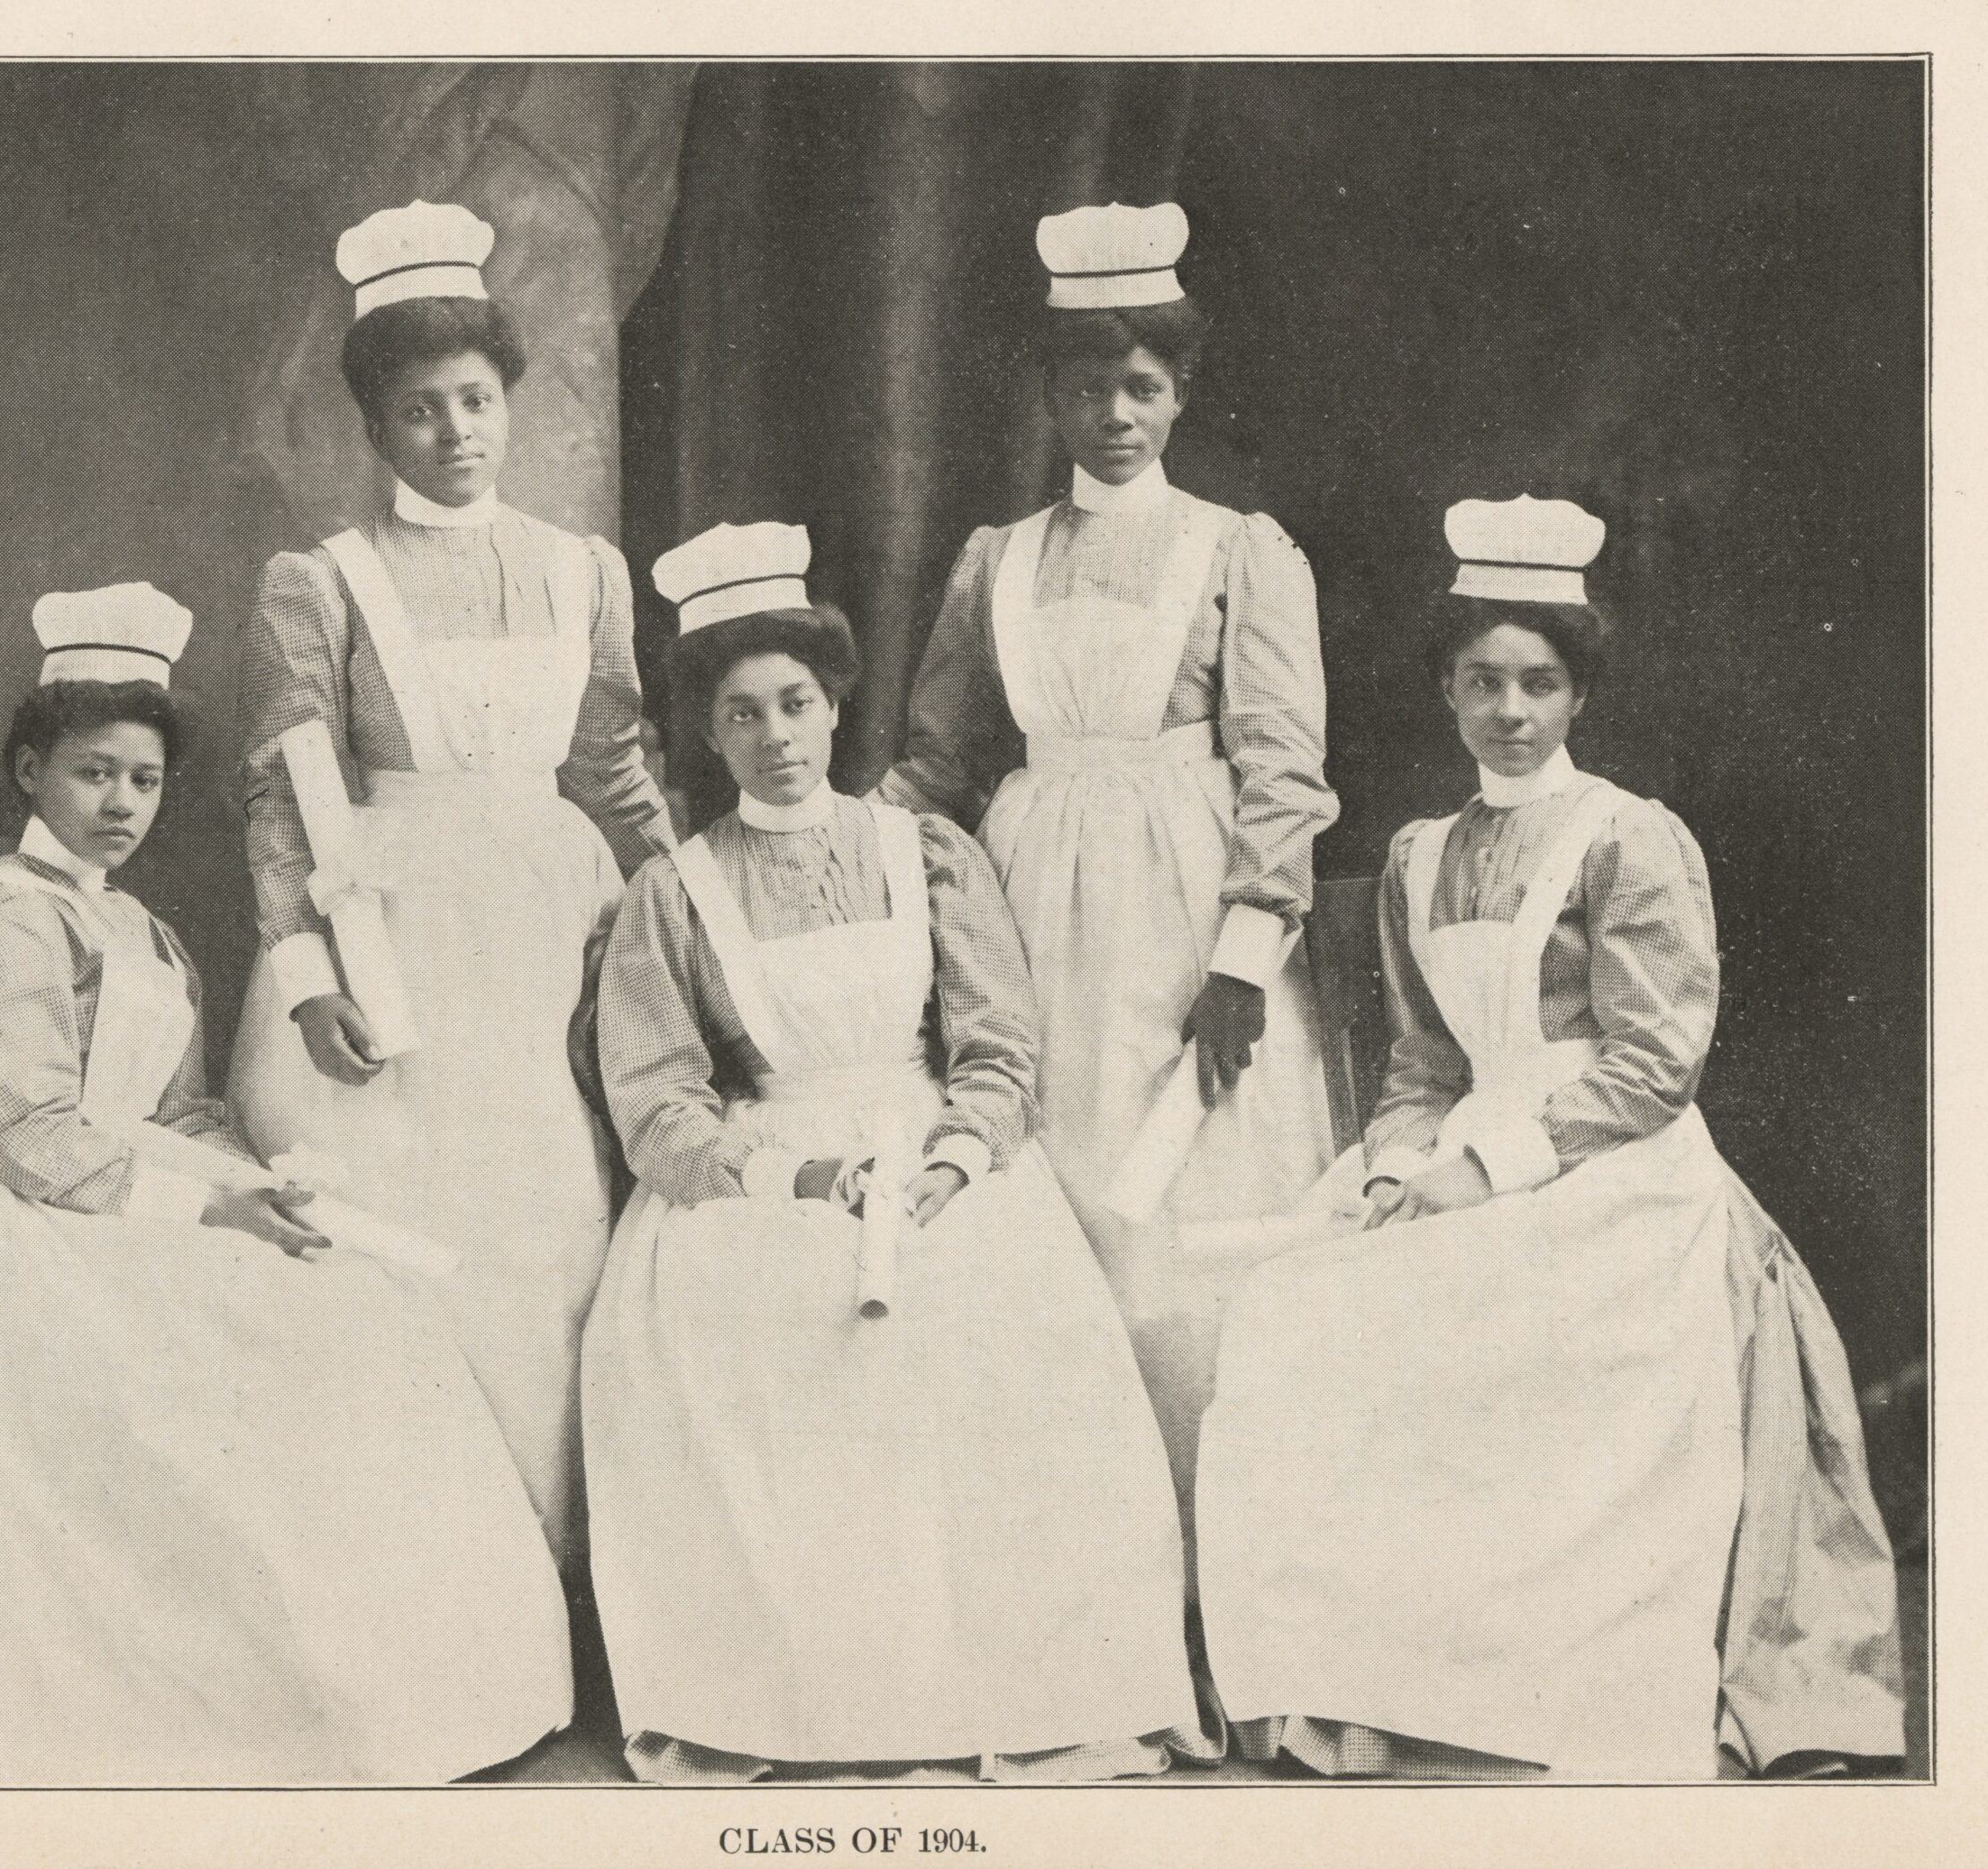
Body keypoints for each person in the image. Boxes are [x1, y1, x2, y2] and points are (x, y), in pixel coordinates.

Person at [1196, 498, 1907, 1780]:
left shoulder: (1628, 837)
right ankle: (1356, 1679)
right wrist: (1404, 1164)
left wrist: (1486, 1168)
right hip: (1467, 1142)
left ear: (1578, 693)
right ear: (1448, 691)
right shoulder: (1420, 855)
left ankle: (1551, 1671)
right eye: (1482, 681)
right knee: (1294, 1308)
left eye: (1538, 681)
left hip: (1613, 1168)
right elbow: (1423, 1060)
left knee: (1520, 1324)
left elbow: (1652, 1061)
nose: (1509, 709)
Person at [0, 585, 572, 1785]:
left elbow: (178, 1107)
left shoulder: (142, 928)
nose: (121, 803)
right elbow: (37, 1128)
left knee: (354, 1299)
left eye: (143, 780)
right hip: (37, 1227)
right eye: (92, 774)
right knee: (235, 1358)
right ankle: (232, 1709)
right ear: (31, 771)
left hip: (150, 1190)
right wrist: (207, 1208)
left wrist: (256, 1185)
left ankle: (372, 1696)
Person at [582, 523, 1210, 1783]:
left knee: (997, 1330)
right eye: (742, 712)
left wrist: (955, 1160)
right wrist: (795, 1179)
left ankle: (1004, 1686)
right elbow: (657, 1102)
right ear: (707, 732)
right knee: (764, 1335)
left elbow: (997, 1046)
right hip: (766, 1175)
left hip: (936, 1160)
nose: (775, 734)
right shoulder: (675, 893)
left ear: (835, 706)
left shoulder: (922, 850)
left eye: (797, 703)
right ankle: (817, 1698)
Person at [874, 201, 1336, 1545]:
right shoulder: (995, 564)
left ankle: (1218, 1568)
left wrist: (1245, 959)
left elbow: (1283, 769)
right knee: (1047, 1230)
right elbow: (933, 766)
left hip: (1188, 923)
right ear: (1051, 395)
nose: (1115, 413)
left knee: (1180, 1240)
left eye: (1142, 385)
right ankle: (1075, 1570)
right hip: (1025, 916)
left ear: (1181, 392)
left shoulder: (1236, 551)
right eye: (1088, 386)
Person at [226, 201, 673, 1567]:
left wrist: (691, 911)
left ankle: (573, 1568)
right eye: (420, 410)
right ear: (378, 429)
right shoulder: (326, 582)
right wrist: (308, 979)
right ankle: (445, 1571)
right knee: (432, 1225)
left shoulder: (580, 571)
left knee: (564, 1214)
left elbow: (616, 765)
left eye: (475, 399)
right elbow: (282, 788)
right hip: (396, 932)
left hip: (559, 918)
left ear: (508, 404)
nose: (456, 432)